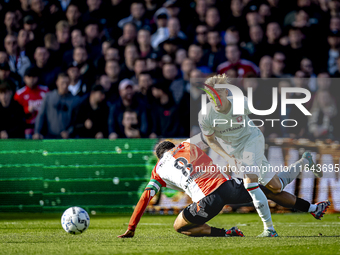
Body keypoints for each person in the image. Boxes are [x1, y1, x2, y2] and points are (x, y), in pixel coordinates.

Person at [118, 140, 330, 238]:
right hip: (227, 185)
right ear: (173, 147)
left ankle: (226, 233)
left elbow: (145, 198)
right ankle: (312, 208)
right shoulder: (188, 145)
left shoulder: (157, 169)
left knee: (179, 227)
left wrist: (132, 227)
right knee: (272, 189)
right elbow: (212, 138)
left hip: (207, 200)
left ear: (160, 156)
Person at [198, 74, 324, 237]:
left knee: (250, 183)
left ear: (226, 93)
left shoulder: (240, 103)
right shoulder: (205, 115)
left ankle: (269, 230)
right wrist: (228, 157)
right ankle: (304, 161)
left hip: (252, 140)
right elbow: (210, 140)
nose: (215, 99)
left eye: (218, 94)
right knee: (276, 187)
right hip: (235, 151)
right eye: (211, 96)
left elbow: (263, 114)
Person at [34, 73, 79, 139]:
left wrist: (69, 131)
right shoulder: (48, 97)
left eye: (67, 83)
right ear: (57, 82)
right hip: (49, 135)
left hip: (67, 137)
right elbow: (41, 115)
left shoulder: (75, 100)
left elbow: (76, 120)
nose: (64, 86)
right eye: (62, 83)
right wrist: (37, 132)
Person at [14, 67, 48, 139]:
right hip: (26, 126)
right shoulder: (19, 94)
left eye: (34, 77)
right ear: (24, 78)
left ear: (38, 78)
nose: (31, 79)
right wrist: (27, 110)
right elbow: (15, 113)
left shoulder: (45, 91)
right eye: (29, 77)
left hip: (44, 126)